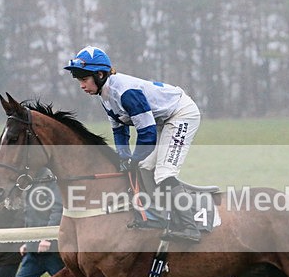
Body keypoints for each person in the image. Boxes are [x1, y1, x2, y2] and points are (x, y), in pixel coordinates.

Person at [64, 45, 202, 243]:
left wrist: (133, 159)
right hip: (163, 119)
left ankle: (190, 228)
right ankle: (161, 216)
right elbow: (120, 130)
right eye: (79, 81)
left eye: (84, 80)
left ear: (100, 74)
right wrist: (124, 156)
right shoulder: (105, 95)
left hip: (181, 114)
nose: (81, 86)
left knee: (164, 173)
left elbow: (147, 134)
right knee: (146, 166)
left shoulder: (126, 92)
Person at [14, 169, 82, 277]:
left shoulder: (55, 184)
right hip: (33, 251)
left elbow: (57, 211)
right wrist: (27, 241)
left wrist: (47, 239)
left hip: (51, 252)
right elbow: (30, 216)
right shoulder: (31, 183)